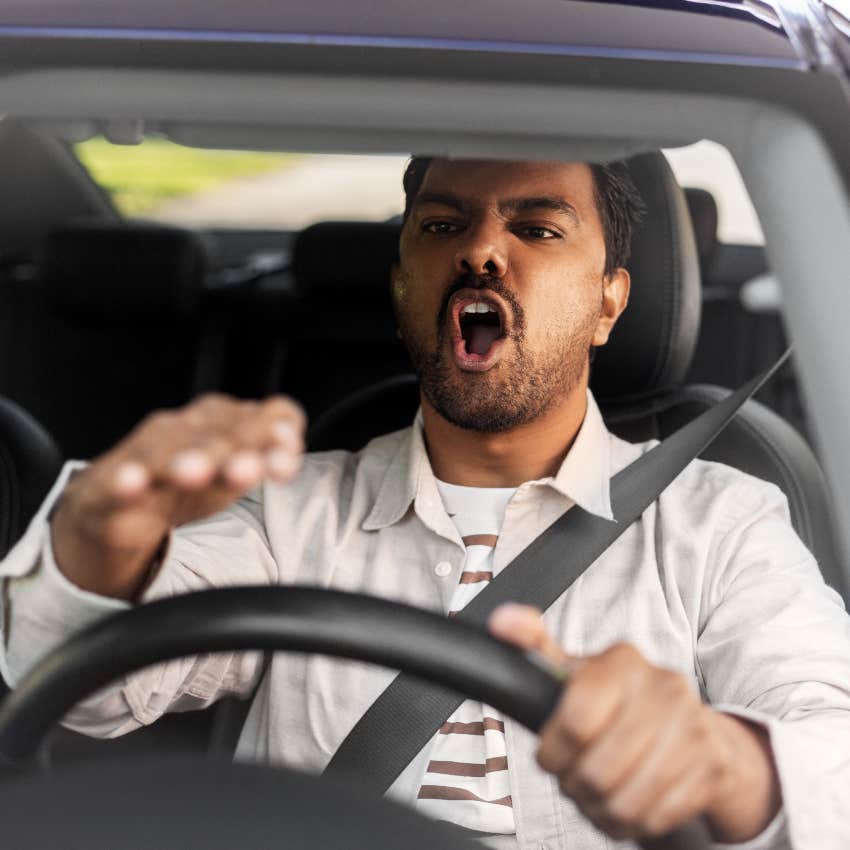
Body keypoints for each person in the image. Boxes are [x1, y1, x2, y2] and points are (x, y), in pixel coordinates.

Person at [2, 157, 849, 850]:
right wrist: (98, 546)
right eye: (442, 226)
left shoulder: (723, 519)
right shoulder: (293, 506)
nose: (481, 251)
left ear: (609, 300)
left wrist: (720, 762)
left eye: (537, 229)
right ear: (404, 281)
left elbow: (835, 754)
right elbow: (95, 689)